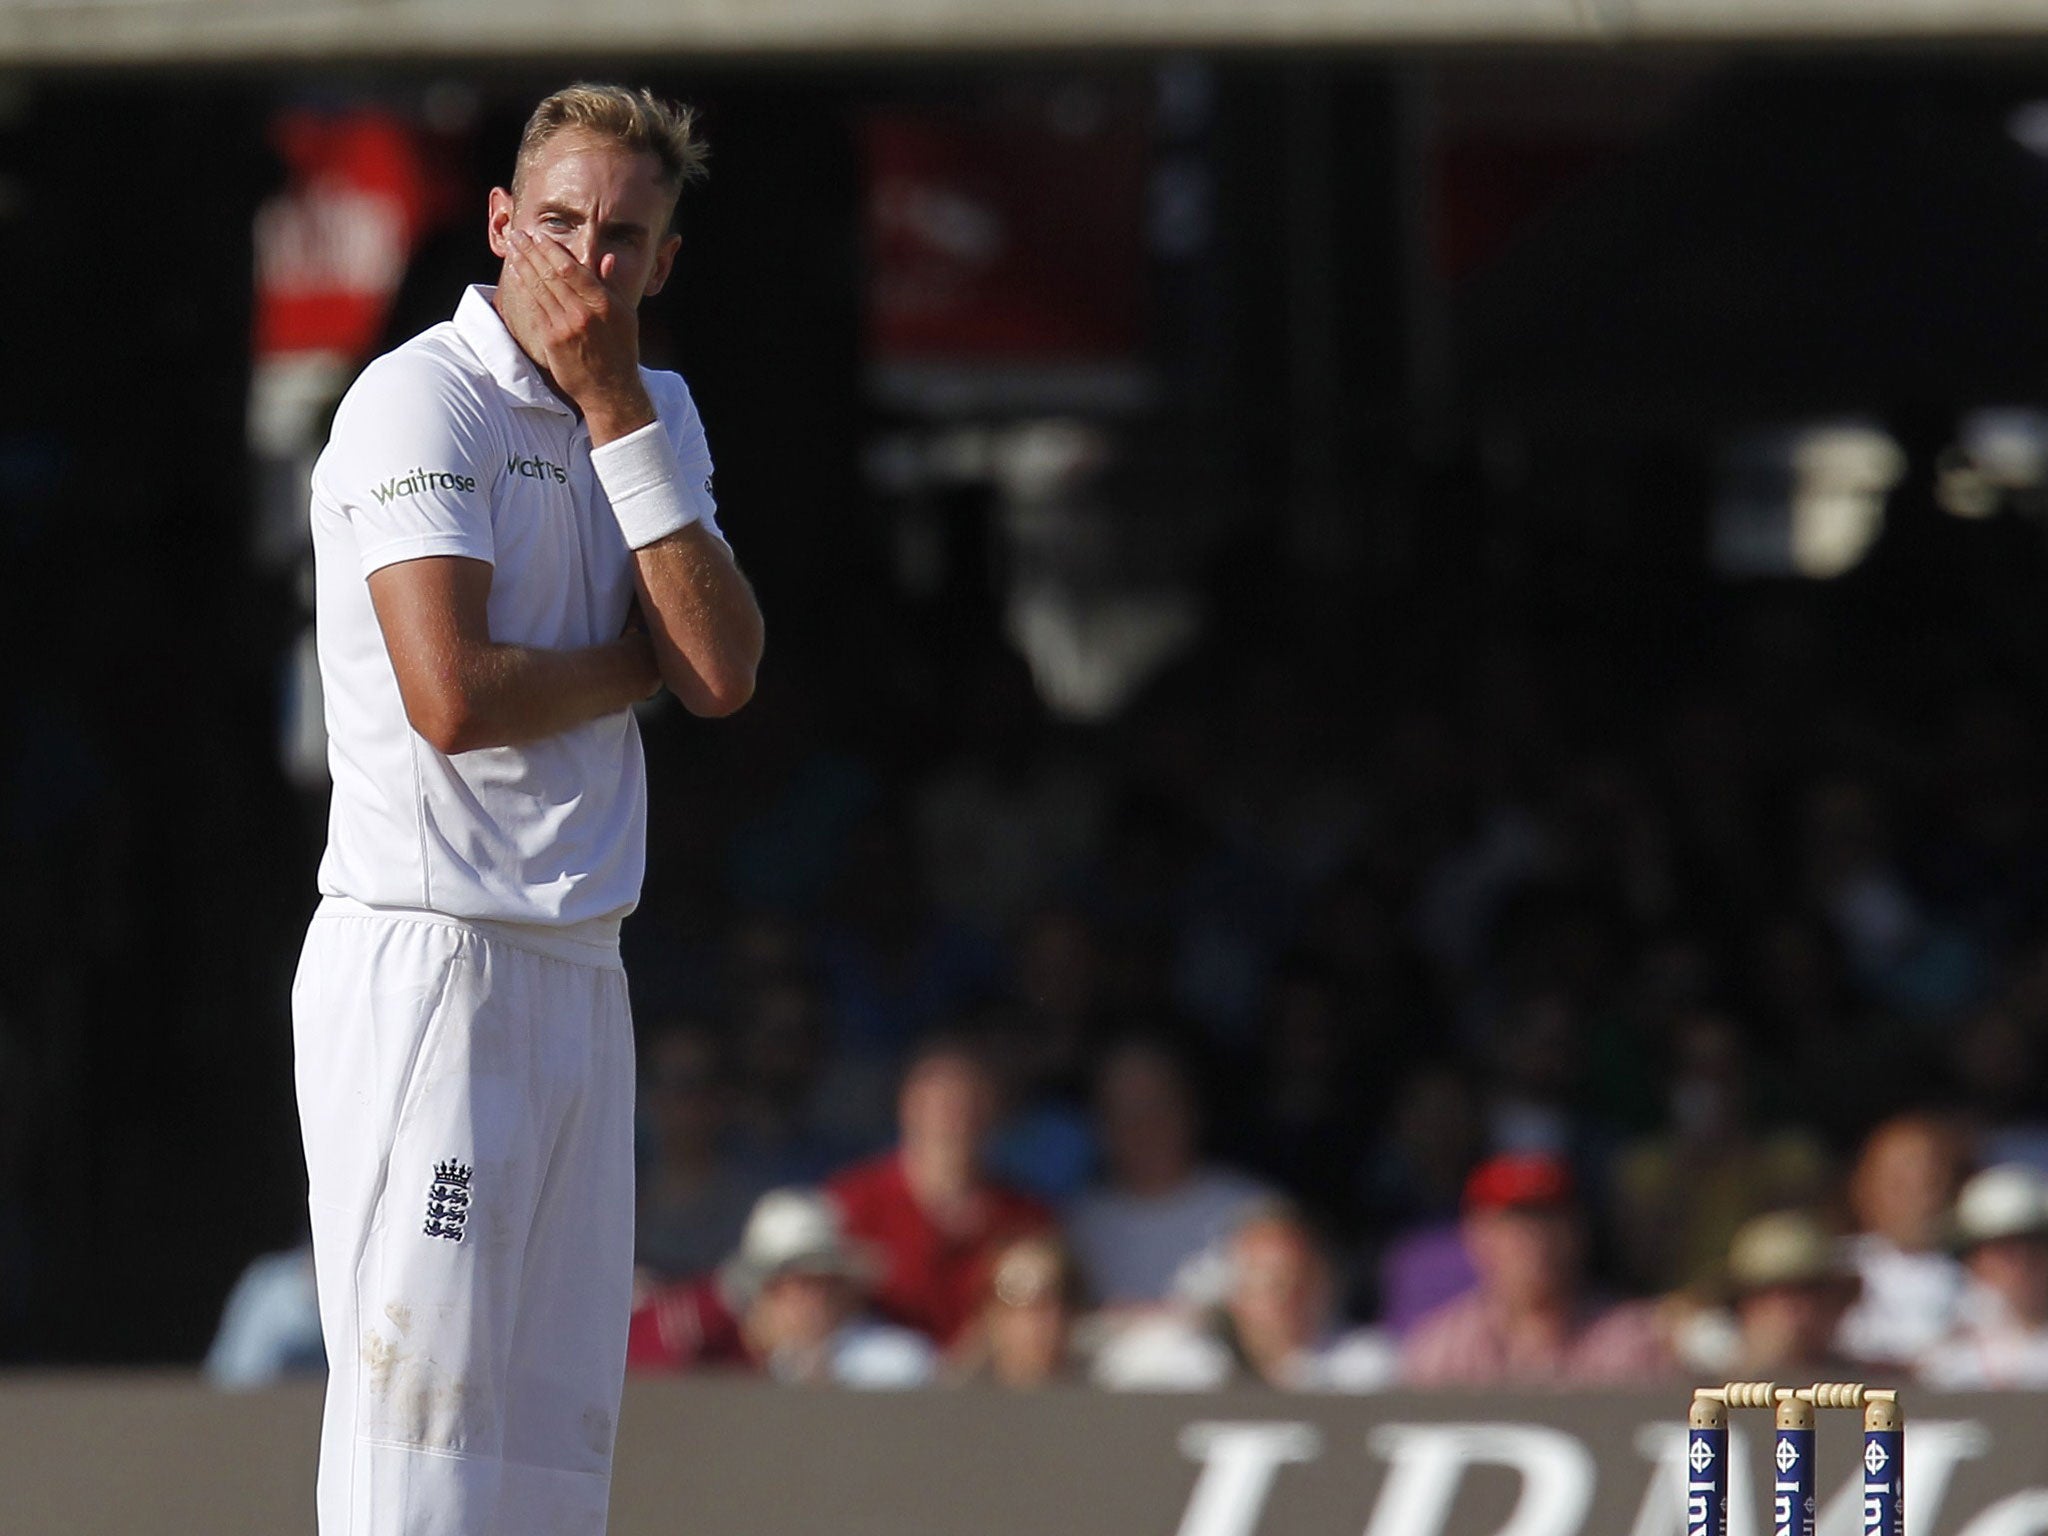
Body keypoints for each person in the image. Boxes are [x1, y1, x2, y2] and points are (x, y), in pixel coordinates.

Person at [292, 83, 764, 1536]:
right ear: (502, 223)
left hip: (579, 964)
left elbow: (729, 669)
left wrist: (619, 403)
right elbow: (456, 694)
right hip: (434, 961)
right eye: (557, 222)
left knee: (554, 1447)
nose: (586, 261)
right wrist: (641, 668)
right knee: (418, 1429)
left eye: (625, 236)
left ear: (664, 262)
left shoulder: (656, 407)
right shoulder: (413, 397)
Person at [827, 1037, 1054, 1347]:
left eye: (967, 1108)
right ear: (906, 1109)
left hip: (993, 1387)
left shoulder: (1025, 1218)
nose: (952, 1123)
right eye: (938, 1107)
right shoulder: (853, 1204)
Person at [1400, 1152, 1672, 1387]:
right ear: (1475, 1235)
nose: (1534, 1242)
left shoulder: (1633, 1342)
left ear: (1577, 1232)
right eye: (1513, 1226)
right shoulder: (1441, 1351)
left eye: (1547, 1222)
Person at [627, 1188, 934, 1388]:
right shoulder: (704, 1344)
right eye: (796, 1285)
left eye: (827, 1285)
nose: (814, 1302)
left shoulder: (888, 1360)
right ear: (759, 1292)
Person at [1094, 1202, 1395, 1392]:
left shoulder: (1368, 1365)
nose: (1284, 1299)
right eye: (1265, 1282)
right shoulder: (1189, 1364)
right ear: (1234, 1293)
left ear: (1323, 1286)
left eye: (1298, 1280)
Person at [1066, 1038, 1271, 1307]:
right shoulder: (1078, 1227)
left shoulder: (1255, 1215)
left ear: (1191, 1110)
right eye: (1124, 1112)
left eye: (1158, 1105)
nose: (1144, 1127)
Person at [1833, 1113, 1971, 1367]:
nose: (1918, 1200)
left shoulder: (1985, 1275)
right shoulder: (1830, 1273)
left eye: (1929, 1183)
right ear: (1863, 1189)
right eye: (1899, 1185)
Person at [1674, 1209, 1862, 1381]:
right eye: (1783, 1293)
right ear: (1746, 1302)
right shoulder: (1688, 1384)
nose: (1803, 1308)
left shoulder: (1869, 1383)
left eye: (1817, 1291)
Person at [1920, 1164, 2048, 1389]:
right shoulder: (1944, 1343)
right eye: (2003, 1249)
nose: (2022, 1262)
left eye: (2036, 1244)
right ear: (1974, 1259)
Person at [951, 1234, 1089, 1388]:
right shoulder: (957, 1396)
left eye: (1045, 1299)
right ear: (989, 1313)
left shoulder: (1101, 1389)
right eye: (1011, 1295)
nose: (1031, 1317)